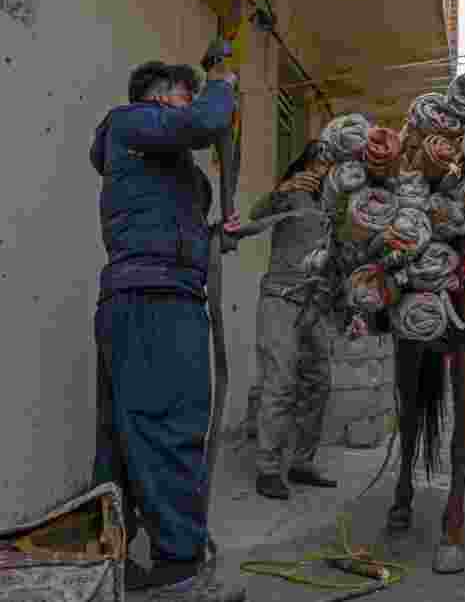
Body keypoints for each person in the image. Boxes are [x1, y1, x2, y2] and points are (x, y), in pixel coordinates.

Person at [91, 58, 246, 601]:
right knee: (167, 428)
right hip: (152, 301)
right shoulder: (130, 124)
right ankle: (179, 569)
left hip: (156, 299)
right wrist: (224, 85)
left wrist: (217, 235)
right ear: (158, 98)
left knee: (124, 438)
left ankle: (106, 559)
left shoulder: (179, 175)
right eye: (188, 95)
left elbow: (178, 234)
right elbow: (205, 122)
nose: (195, 104)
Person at [250, 140, 337, 501]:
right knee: (281, 383)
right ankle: (268, 469)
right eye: (318, 161)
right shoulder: (292, 194)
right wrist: (281, 191)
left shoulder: (337, 206)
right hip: (280, 300)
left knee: (319, 382)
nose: (323, 169)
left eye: (330, 164)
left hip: (315, 305)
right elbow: (256, 216)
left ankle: (302, 462)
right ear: (305, 164)